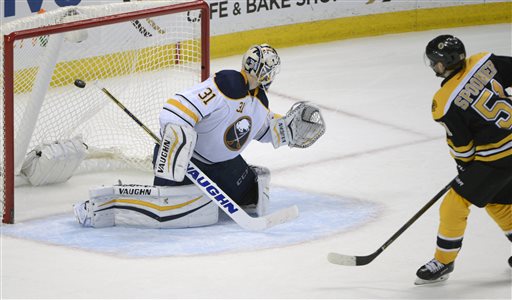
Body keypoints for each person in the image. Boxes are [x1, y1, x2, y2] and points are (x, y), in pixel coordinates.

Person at [73, 44, 325, 228]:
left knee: (252, 197)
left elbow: (261, 129)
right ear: (268, 74)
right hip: (183, 159)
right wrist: (178, 142)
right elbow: (176, 108)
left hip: (220, 165)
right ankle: (104, 202)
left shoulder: (259, 101)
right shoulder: (226, 84)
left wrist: (287, 130)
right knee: (166, 210)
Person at [415, 35, 512, 285]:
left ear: (444, 63)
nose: (433, 66)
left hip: (497, 158)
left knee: (454, 203)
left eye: (434, 62)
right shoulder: (484, 61)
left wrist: (465, 169)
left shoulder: (444, 101)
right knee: (497, 200)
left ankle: (444, 261)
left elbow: (462, 147)